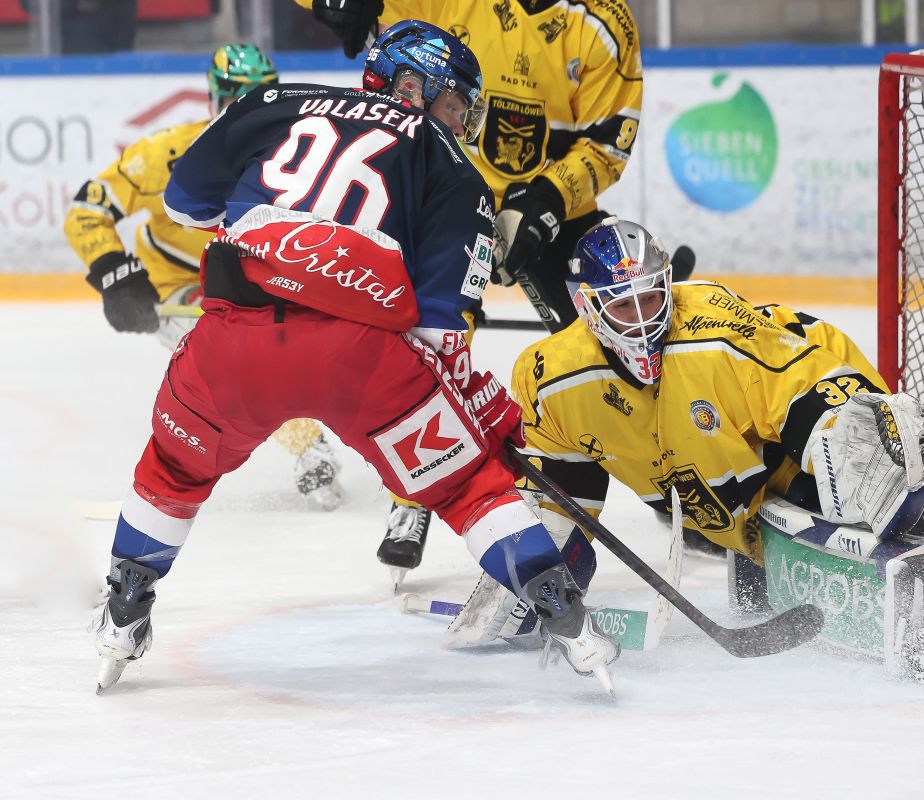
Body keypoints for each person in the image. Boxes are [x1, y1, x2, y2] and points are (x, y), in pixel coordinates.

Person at [90, 20, 619, 695]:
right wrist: (481, 417)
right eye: (455, 104)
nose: (460, 122)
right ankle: (568, 620)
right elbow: (440, 334)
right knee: (466, 486)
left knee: (174, 468)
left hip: (233, 340)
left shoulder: (269, 103)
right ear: (409, 84)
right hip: (363, 360)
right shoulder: (456, 171)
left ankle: (124, 610)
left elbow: (183, 202)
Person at [445, 218, 924, 666]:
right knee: (754, 542)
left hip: (786, 434)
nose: (644, 318)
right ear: (585, 309)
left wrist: (849, 429)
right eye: (622, 307)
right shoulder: (552, 376)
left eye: (652, 296)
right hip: (715, 485)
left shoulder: (713, 332)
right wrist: (537, 575)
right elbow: (564, 501)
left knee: (861, 501)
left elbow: (804, 384)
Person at [298, 0, 648, 584]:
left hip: (544, 200)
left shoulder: (605, 24)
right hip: (437, 190)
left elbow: (609, 141)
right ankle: (413, 496)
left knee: (618, 334)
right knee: (421, 343)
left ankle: (672, 479)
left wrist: (542, 205)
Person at [63, 45, 345, 511]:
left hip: (264, 280)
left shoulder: (303, 158)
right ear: (214, 97)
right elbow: (87, 208)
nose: (250, 109)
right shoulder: (165, 154)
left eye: (263, 95)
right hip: (182, 286)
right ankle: (308, 444)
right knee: (239, 356)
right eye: (237, 97)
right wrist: (115, 272)